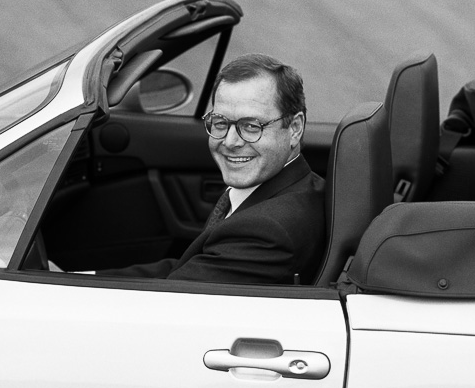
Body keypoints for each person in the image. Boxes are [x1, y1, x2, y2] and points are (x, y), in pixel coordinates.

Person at [95, 53, 326, 284]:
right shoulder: (291, 189)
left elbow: (170, 301)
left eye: (251, 126)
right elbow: (192, 267)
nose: (230, 142)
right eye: (220, 123)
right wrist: (80, 278)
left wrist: (68, 290)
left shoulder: (268, 231)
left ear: (295, 128)